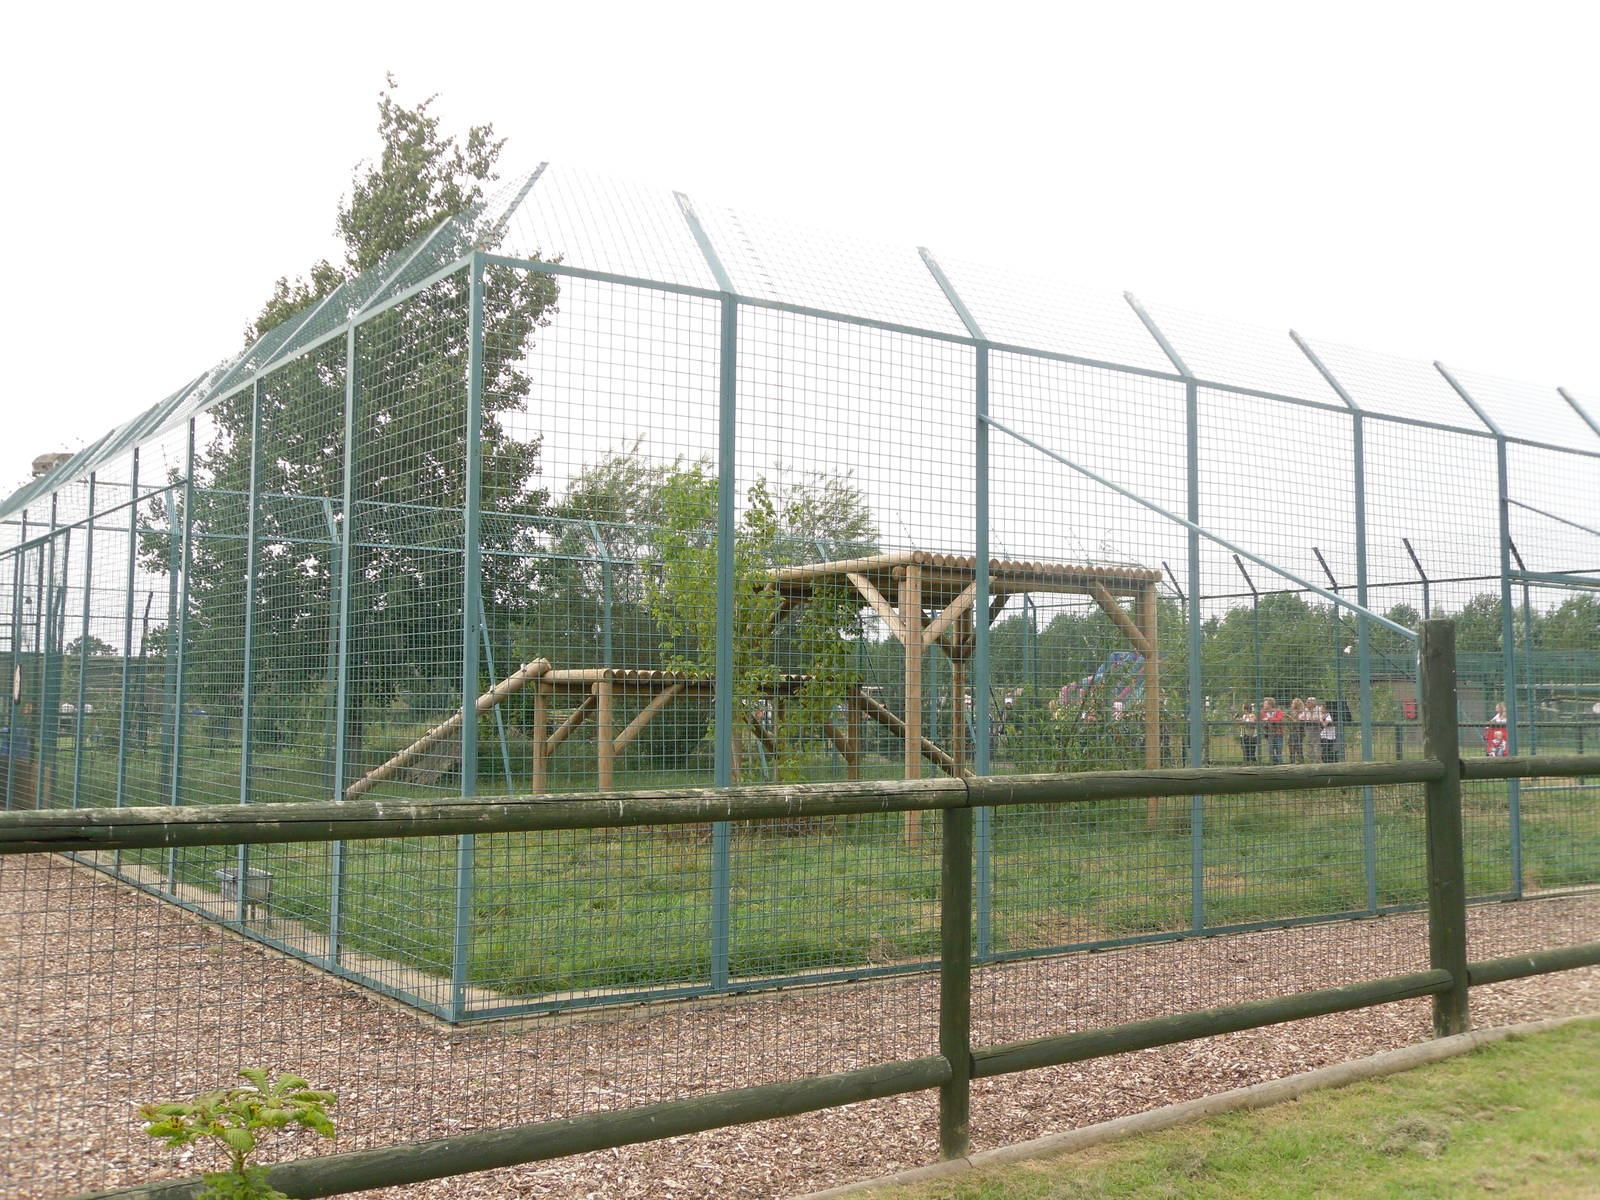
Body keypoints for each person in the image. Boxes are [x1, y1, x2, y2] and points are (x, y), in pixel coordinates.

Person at [1260, 697, 1286, 764]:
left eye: (1265, 704)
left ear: (1270, 704)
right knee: (1270, 751)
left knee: (1279, 750)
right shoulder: (1263, 712)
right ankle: (1273, 764)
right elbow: (1262, 720)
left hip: (1278, 734)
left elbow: (1279, 719)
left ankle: (1280, 764)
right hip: (1269, 734)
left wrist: (1269, 719)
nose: (1263, 705)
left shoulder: (1278, 711)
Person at [1287, 698, 1307, 763]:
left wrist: (1290, 718)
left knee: (1297, 747)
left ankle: (1300, 761)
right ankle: (1292, 761)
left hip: (1299, 732)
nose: (1291, 704)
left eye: (1293, 703)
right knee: (1291, 746)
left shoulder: (1301, 712)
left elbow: (1297, 722)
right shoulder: (1292, 711)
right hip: (1292, 731)